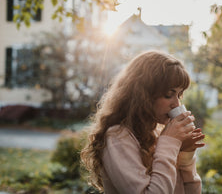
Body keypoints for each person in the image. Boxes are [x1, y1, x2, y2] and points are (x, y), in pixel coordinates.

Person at [81, 51, 205, 194]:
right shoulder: (118, 137)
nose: (177, 104)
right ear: (144, 94)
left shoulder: (157, 134)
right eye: (168, 95)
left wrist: (185, 158)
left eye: (179, 95)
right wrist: (169, 142)